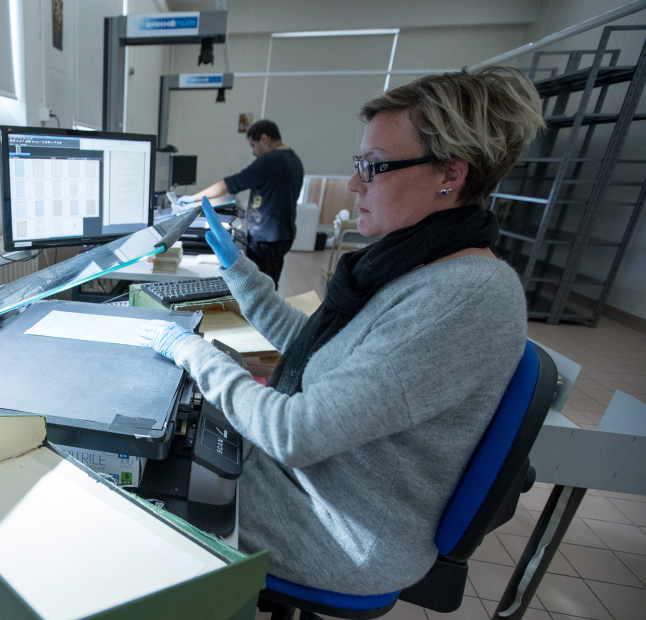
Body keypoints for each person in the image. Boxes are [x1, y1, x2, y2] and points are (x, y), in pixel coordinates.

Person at [137, 67, 544, 595]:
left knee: (139, 493)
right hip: (316, 485)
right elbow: (318, 349)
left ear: (451, 173)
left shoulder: (462, 297)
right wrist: (237, 268)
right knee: (177, 431)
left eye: (373, 167)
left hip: (338, 531)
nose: (354, 184)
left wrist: (190, 350)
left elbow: (293, 432)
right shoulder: (417, 263)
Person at [180, 120, 303, 288]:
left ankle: (261, 313)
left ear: (264, 139)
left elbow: (229, 185)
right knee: (271, 282)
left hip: (266, 239)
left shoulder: (270, 161)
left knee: (257, 287)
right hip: (283, 235)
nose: (253, 152)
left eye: (253, 145)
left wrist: (194, 198)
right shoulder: (293, 159)